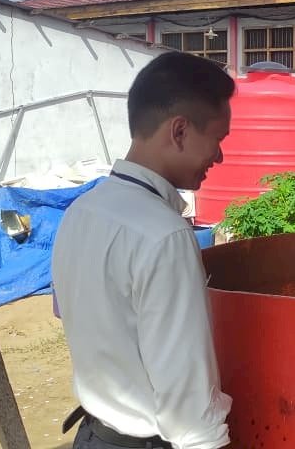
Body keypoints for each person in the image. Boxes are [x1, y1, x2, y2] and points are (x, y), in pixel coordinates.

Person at [52, 51, 235, 449]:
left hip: (93, 436)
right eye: (218, 139)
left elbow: (78, 317)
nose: (219, 156)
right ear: (180, 131)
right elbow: (190, 414)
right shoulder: (164, 235)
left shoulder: (80, 213)